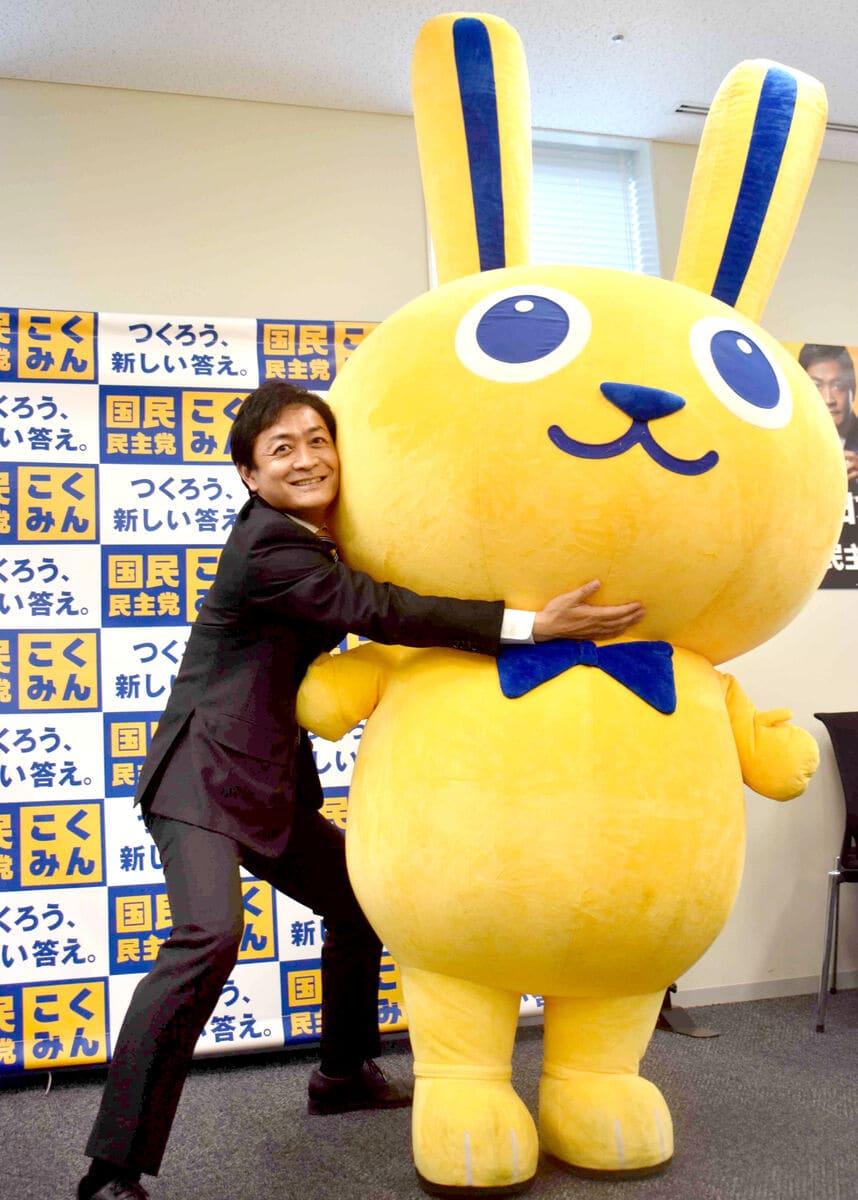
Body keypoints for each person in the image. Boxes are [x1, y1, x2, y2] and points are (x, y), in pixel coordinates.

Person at [78, 380, 645, 1200]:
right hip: (200, 777)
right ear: (249, 476)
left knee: (357, 905)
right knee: (208, 939)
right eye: (282, 449)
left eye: (319, 440)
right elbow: (376, 609)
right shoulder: (271, 547)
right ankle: (110, 1169)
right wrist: (528, 625)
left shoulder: (316, 534)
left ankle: (341, 1075)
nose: (308, 459)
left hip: (265, 781)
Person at [799, 343, 858, 491]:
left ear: (853, 389)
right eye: (816, 386)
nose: (828, 399)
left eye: (838, 386)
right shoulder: (788, 444)